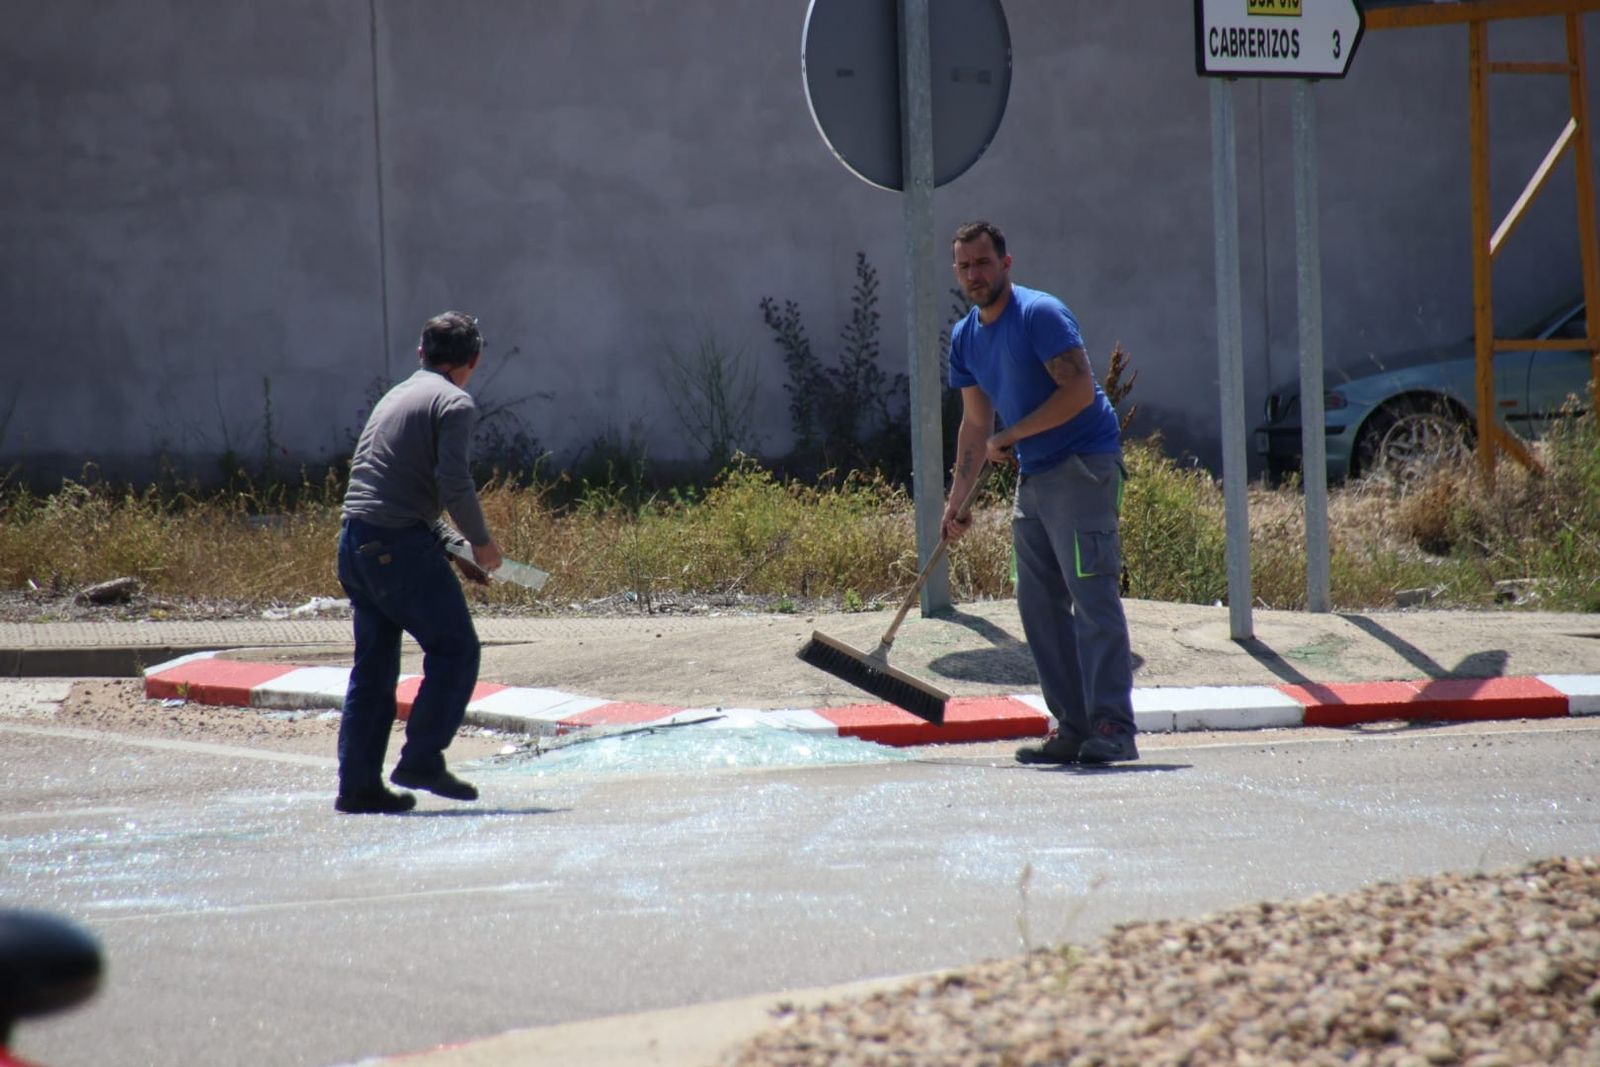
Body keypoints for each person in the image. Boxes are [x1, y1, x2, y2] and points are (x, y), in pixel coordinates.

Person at [940, 221, 1138, 764]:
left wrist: (1014, 434)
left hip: (1082, 467)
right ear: (956, 273)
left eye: (983, 263)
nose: (975, 274)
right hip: (1036, 475)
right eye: (965, 266)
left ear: (1006, 263)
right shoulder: (966, 337)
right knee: (1038, 605)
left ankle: (1114, 728)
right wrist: (957, 501)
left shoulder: (1039, 314)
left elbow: (1077, 389)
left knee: (1092, 598)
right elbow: (975, 426)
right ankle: (1072, 727)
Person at [334, 310, 504, 813]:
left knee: (373, 671)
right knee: (455, 650)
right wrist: (481, 543)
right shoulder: (455, 403)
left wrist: (454, 549)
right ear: (473, 359)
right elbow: (453, 485)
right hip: (395, 546)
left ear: (421, 354)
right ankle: (423, 758)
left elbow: (397, 490)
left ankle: (359, 786)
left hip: (355, 544)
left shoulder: (397, 395)